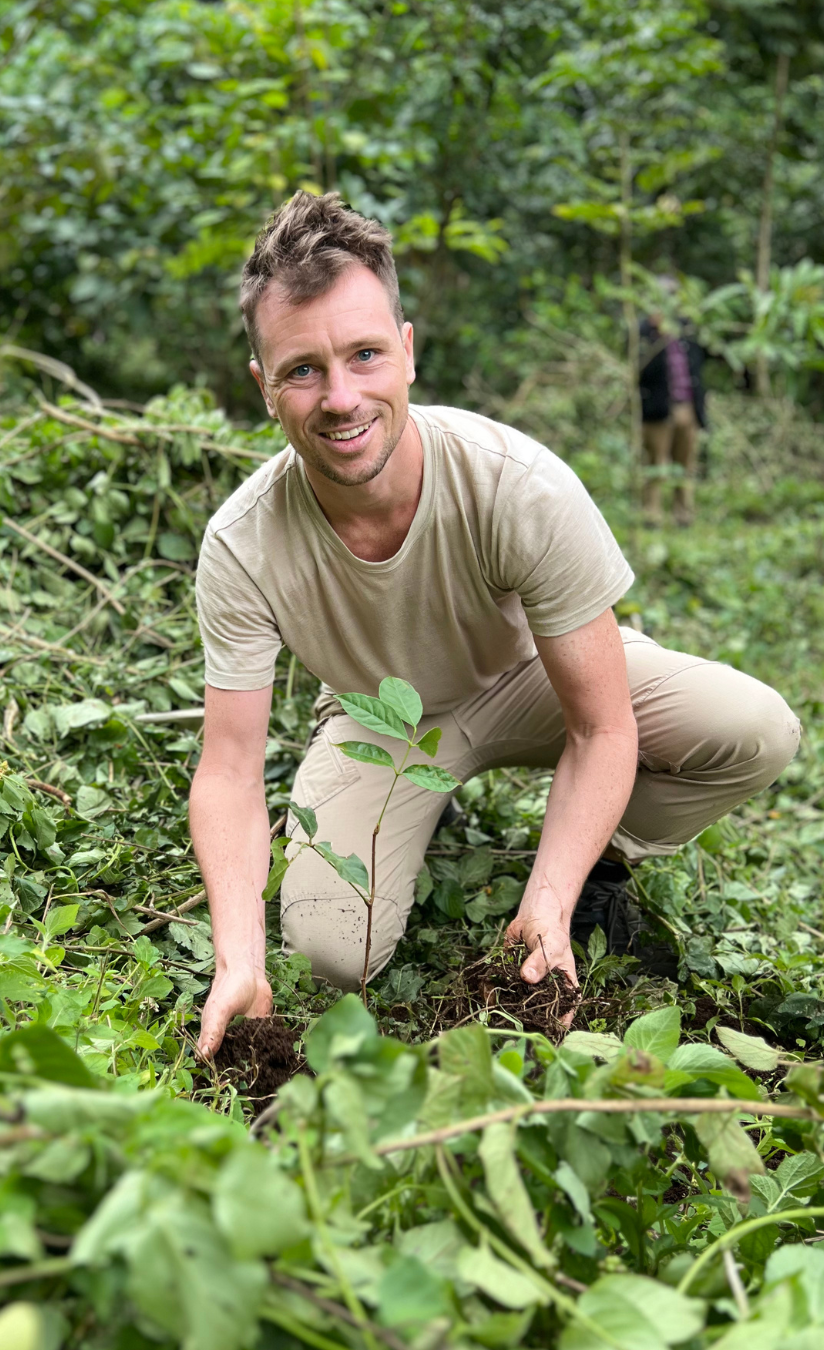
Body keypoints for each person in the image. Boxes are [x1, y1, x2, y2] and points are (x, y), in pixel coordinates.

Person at [190, 192, 799, 1058]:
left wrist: (548, 897)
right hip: (382, 719)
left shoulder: (517, 485)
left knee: (755, 730)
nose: (341, 397)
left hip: (535, 679)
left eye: (365, 354)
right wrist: (238, 959)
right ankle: (416, 804)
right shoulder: (244, 541)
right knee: (331, 953)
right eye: (302, 371)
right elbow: (228, 770)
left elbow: (601, 725)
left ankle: (596, 869)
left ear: (407, 352)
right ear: (264, 387)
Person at [639, 299, 707, 527]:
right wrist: (655, 333)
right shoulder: (644, 333)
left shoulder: (686, 330)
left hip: (686, 406)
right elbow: (640, 371)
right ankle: (652, 515)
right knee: (655, 463)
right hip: (657, 409)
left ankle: (683, 515)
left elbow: (699, 364)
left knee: (685, 464)